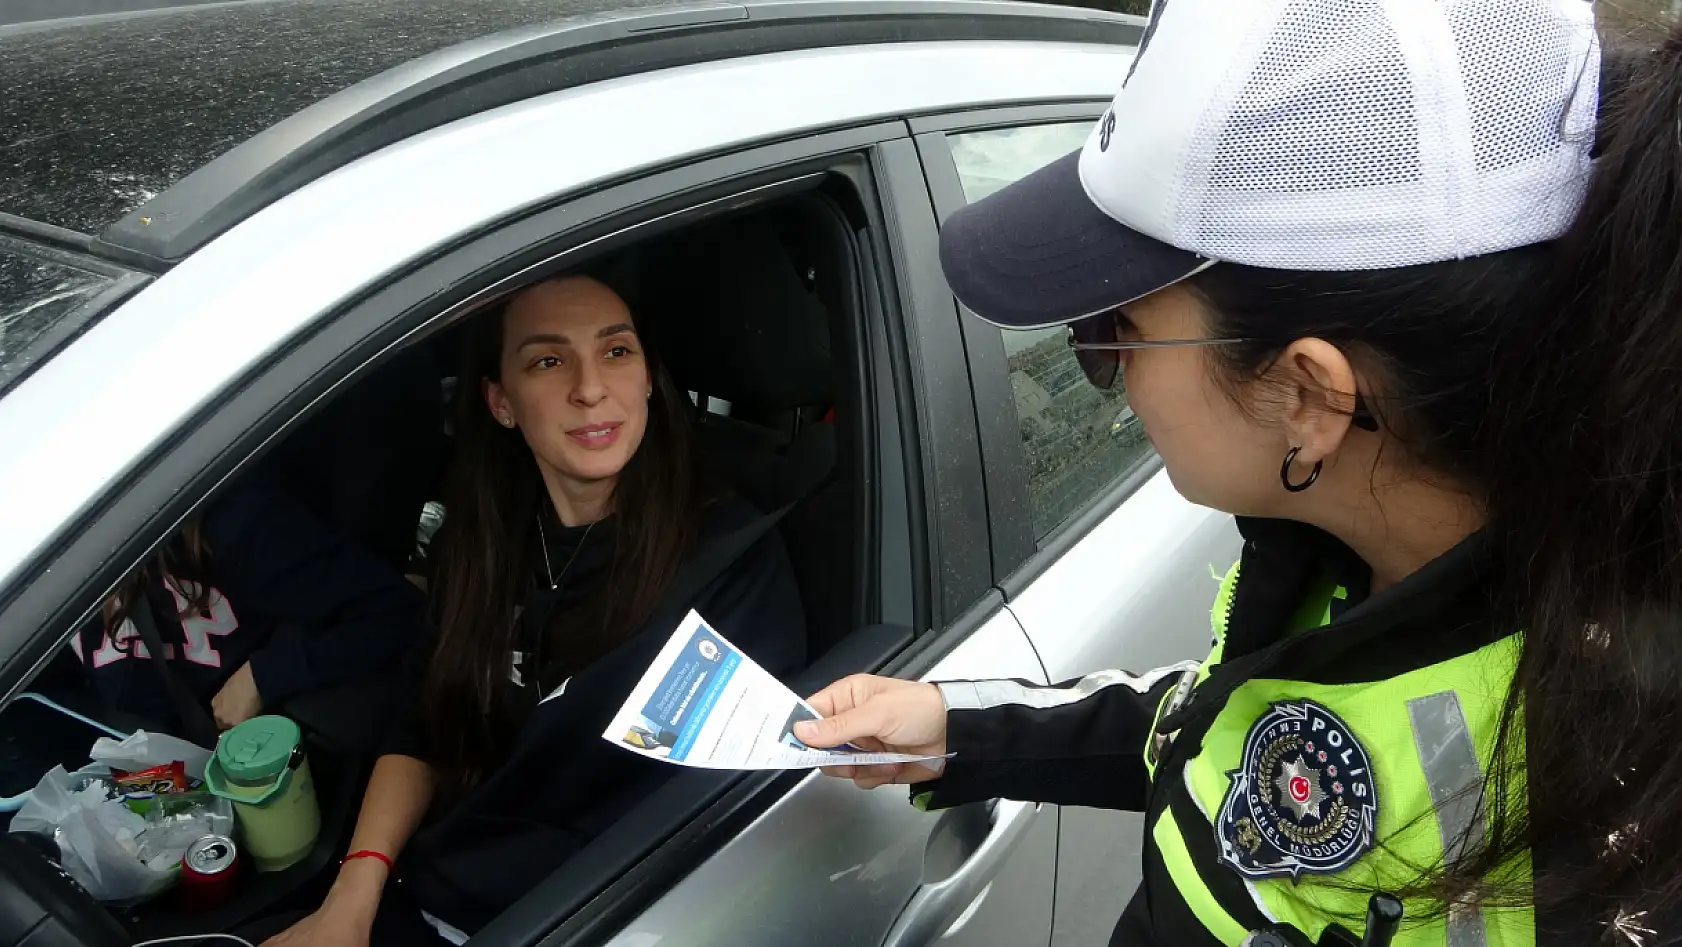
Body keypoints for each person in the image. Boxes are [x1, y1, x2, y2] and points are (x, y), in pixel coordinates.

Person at [795, 2, 1682, 944]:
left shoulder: (1593, 836)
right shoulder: (1349, 558)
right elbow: (1229, 735)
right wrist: (958, 730)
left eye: (1113, 335)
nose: (1106, 374)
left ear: (1309, 395)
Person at [265, 271, 806, 946]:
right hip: (426, 889)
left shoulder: (729, 566)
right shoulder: (485, 540)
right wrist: (352, 897)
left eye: (616, 351)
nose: (589, 387)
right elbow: (425, 727)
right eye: (548, 361)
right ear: (501, 402)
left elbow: (709, 836)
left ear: (646, 379)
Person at [71, 462, 427, 737]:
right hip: (102, 744)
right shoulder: (49, 547)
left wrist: (266, 674)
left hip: (232, 753)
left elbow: (396, 612)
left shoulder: (236, 525)